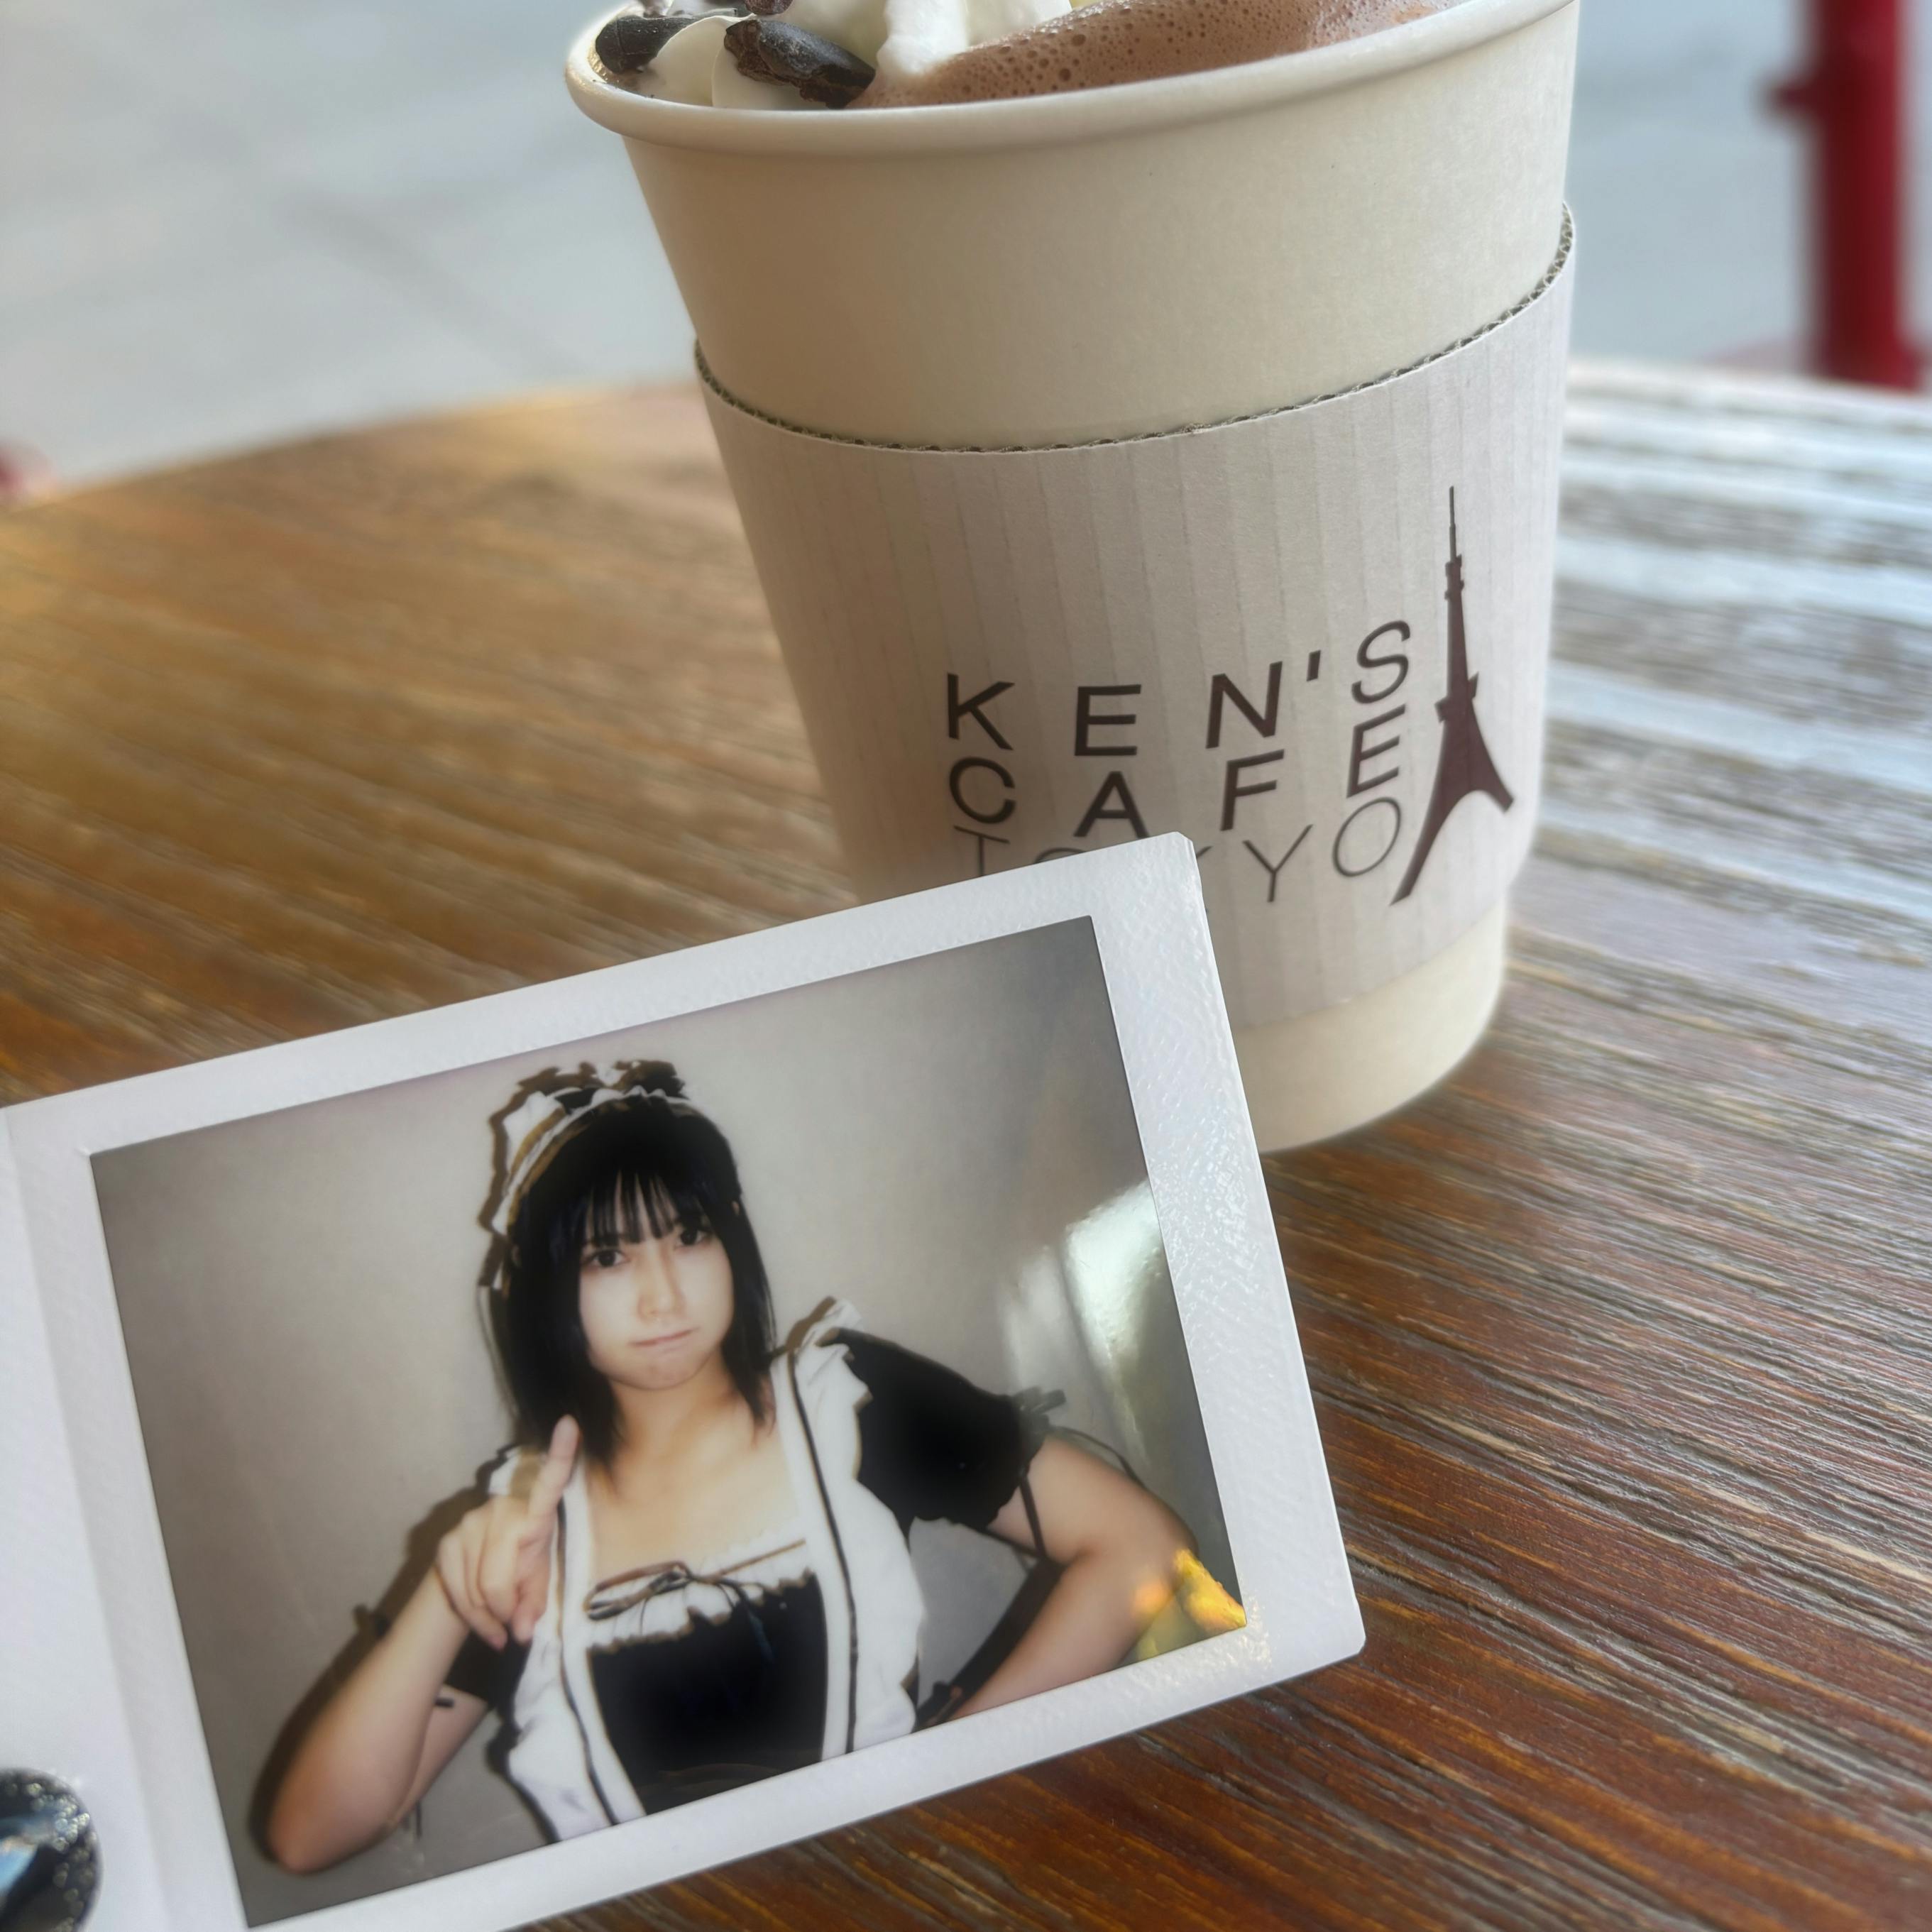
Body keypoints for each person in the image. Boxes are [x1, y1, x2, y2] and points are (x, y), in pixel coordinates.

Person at [265, 1060, 1232, 1872]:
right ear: (548, 1293)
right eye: (607, 1257)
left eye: (689, 1237)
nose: (662, 1295)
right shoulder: (525, 1526)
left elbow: (1143, 1545)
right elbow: (310, 1834)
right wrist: (447, 1589)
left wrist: (953, 1773)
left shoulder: (850, 1403)